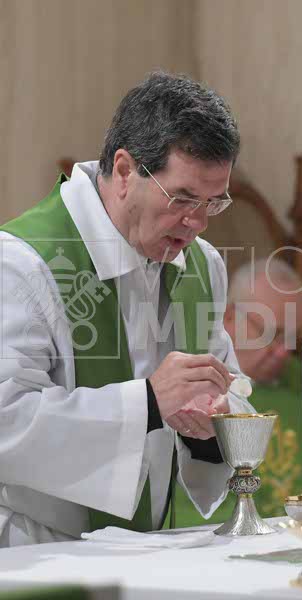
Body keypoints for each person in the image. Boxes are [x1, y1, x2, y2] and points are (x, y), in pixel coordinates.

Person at [0, 72, 253, 546]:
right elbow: (6, 422)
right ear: (123, 171)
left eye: (212, 203)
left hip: (147, 549)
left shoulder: (202, 266)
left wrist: (209, 425)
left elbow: (231, 387)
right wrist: (150, 403)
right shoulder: (21, 264)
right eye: (182, 198)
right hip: (36, 549)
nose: (197, 223)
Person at [173, 259, 302, 527]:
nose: (283, 352)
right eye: (271, 334)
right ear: (229, 317)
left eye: (292, 337)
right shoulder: (189, 384)